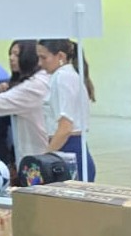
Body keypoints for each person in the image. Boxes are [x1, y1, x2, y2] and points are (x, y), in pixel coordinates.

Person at [0, 41, 51, 175]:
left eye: (16, 54)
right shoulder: (35, 81)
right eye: (10, 54)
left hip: (39, 157)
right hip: (35, 156)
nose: (11, 58)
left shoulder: (34, 86)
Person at [37, 38, 96, 181]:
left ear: (61, 56)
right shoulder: (66, 75)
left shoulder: (63, 77)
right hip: (70, 149)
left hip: (68, 151)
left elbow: (65, 127)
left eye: (43, 57)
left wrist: (45, 158)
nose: (39, 63)